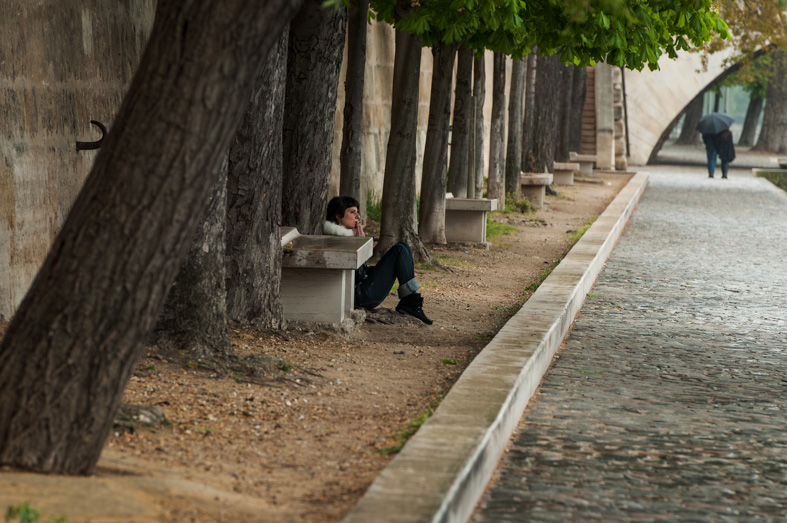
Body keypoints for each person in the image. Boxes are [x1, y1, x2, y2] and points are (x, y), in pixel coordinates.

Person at [323, 196, 432, 325]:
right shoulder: (336, 240)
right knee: (399, 250)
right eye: (352, 212)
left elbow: (361, 270)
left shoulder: (345, 237)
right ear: (338, 215)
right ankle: (411, 303)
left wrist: (382, 269)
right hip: (358, 296)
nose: (358, 216)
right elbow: (354, 275)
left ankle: (411, 300)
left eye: (357, 212)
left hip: (362, 289)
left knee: (403, 247)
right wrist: (359, 244)